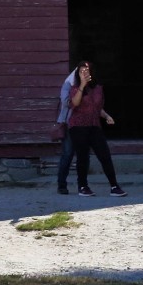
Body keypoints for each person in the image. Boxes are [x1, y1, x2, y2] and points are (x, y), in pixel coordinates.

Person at [66, 61, 125, 196]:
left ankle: (114, 186)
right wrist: (82, 85)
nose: (84, 73)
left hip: (94, 125)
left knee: (104, 155)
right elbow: (75, 103)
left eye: (86, 71)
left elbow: (97, 108)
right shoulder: (74, 87)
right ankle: (82, 187)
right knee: (83, 157)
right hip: (78, 126)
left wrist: (106, 116)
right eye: (81, 71)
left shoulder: (98, 88)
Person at [53, 65, 79, 195]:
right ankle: (61, 185)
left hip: (83, 125)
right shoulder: (68, 85)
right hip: (69, 124)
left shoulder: (90, 87)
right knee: (67, 155)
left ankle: (83, 186)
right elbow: (66, 102)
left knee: (83, 155)